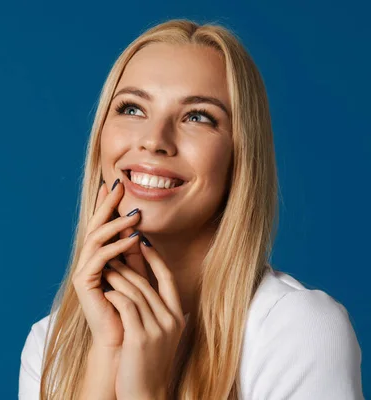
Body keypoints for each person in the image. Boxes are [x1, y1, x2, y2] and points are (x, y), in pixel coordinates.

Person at [18, 19, 364, 400]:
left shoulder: (298, 329)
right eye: (132, 109)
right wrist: (107, 356)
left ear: (240, 157)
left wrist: (145, 392)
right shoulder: (51, 342)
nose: (154, 140)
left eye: (197, 117)